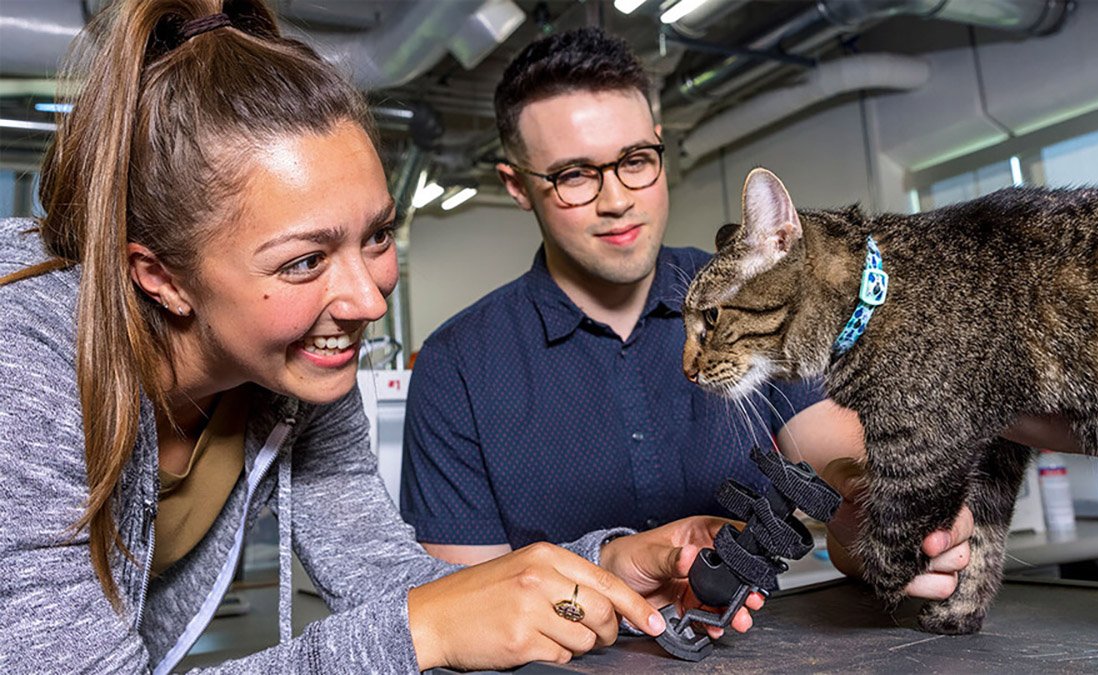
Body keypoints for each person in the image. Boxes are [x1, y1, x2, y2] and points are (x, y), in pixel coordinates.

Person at [0, 3, 765, 673]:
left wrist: (600, 568)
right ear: (160, 276)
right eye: (304, 261)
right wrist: (421, 631)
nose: (366, 299)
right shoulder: (27, 357)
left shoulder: (290, 372)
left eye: (376, 236)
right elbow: (419, 618)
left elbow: (380, 573)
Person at [399, 26, 975, 602]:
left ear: (658, 144)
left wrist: (872, 512)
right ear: (516, 185)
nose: (618, 198)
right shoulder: (457, 366)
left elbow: (837, 458)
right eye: (574, 175)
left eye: (636, 159)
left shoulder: (756, 300)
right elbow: (461, 601)